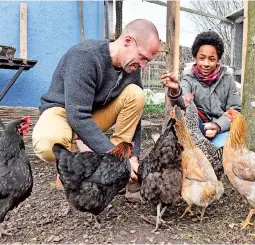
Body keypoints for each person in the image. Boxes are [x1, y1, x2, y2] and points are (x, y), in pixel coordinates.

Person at [32, 19, 160, 192]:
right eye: (142, 57)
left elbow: (136, 117)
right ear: (128, 41)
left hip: (92, 116)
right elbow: (77, 115)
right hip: (62, 112)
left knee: (136, 95)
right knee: (48, 143)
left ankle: (110, 172)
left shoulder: (132, 68)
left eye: (147, 61)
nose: (143, 66)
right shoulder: (85, 56)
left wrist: (134, 155)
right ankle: (72, 167)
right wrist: (117, 158)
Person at [161, 31, 241, 148]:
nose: (206, 64)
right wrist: (176, 90)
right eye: (202, 58)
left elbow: (234, 110)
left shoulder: (228, 80)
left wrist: (217, 126)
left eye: (212, 59)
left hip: (222, 130)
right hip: (198, 129)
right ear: (195, 58)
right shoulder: (189, 79)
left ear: (218, 59)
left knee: (223, 151)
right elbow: (184, 102)